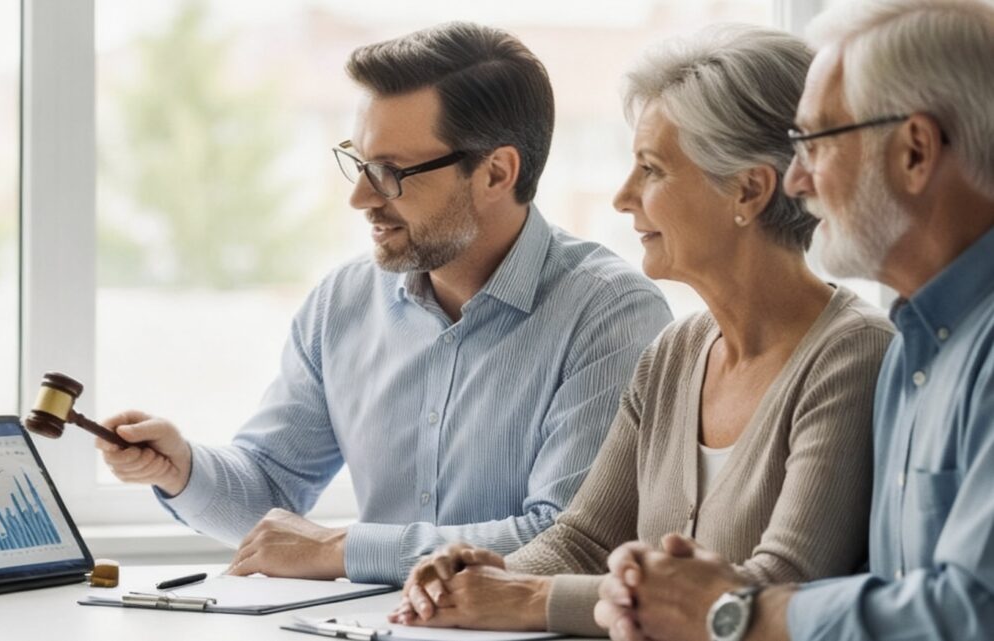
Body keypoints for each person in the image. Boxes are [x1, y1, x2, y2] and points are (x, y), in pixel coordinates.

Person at [97, 22, 672, 586]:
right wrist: (184, 471)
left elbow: (568, 541)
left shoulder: (611, 314)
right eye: (360, 162)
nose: (359, 197)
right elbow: (272, 499)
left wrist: (346, 548)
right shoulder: (343, 302)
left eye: (391, 172)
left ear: (496, 172)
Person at [391, 24, 894, 637]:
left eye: (651, 170)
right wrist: (481, 579)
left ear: (749, 189)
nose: (623, 198)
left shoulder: (853, 354)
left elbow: (770, 588)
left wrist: (528, 597)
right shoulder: (675, 353)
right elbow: (582, 539)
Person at [594, 1, 994, 640]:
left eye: (818, 143)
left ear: (915, 151)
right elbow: (890, 596)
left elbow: (974, 610)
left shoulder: (885, 348)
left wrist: (731, 611)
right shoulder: (917, 352)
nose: (799, 180)